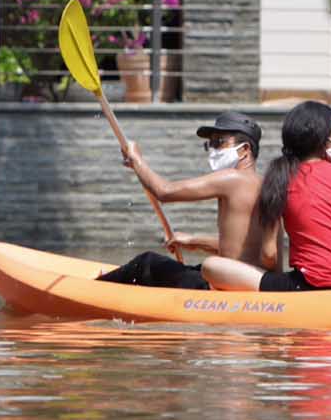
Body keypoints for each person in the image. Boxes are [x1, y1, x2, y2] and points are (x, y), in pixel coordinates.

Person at [202, 101, 331, 292]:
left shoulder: (280, 179)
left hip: (305, 285)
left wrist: (269, 279)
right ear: (325, 141)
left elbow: (269, 254)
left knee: (212, 266)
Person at [97, 111, 270, 289]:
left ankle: (93, 290)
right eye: (210, 144)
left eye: (219, 142)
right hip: (245, 279)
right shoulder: (262, 183)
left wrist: (137, 161)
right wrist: (193, 241)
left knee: (146, 263)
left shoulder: (233, 179)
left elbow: (164, 192)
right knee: (189, 269)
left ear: (245, 150)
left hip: (228, 286)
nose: (213, 150)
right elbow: (239, 249)